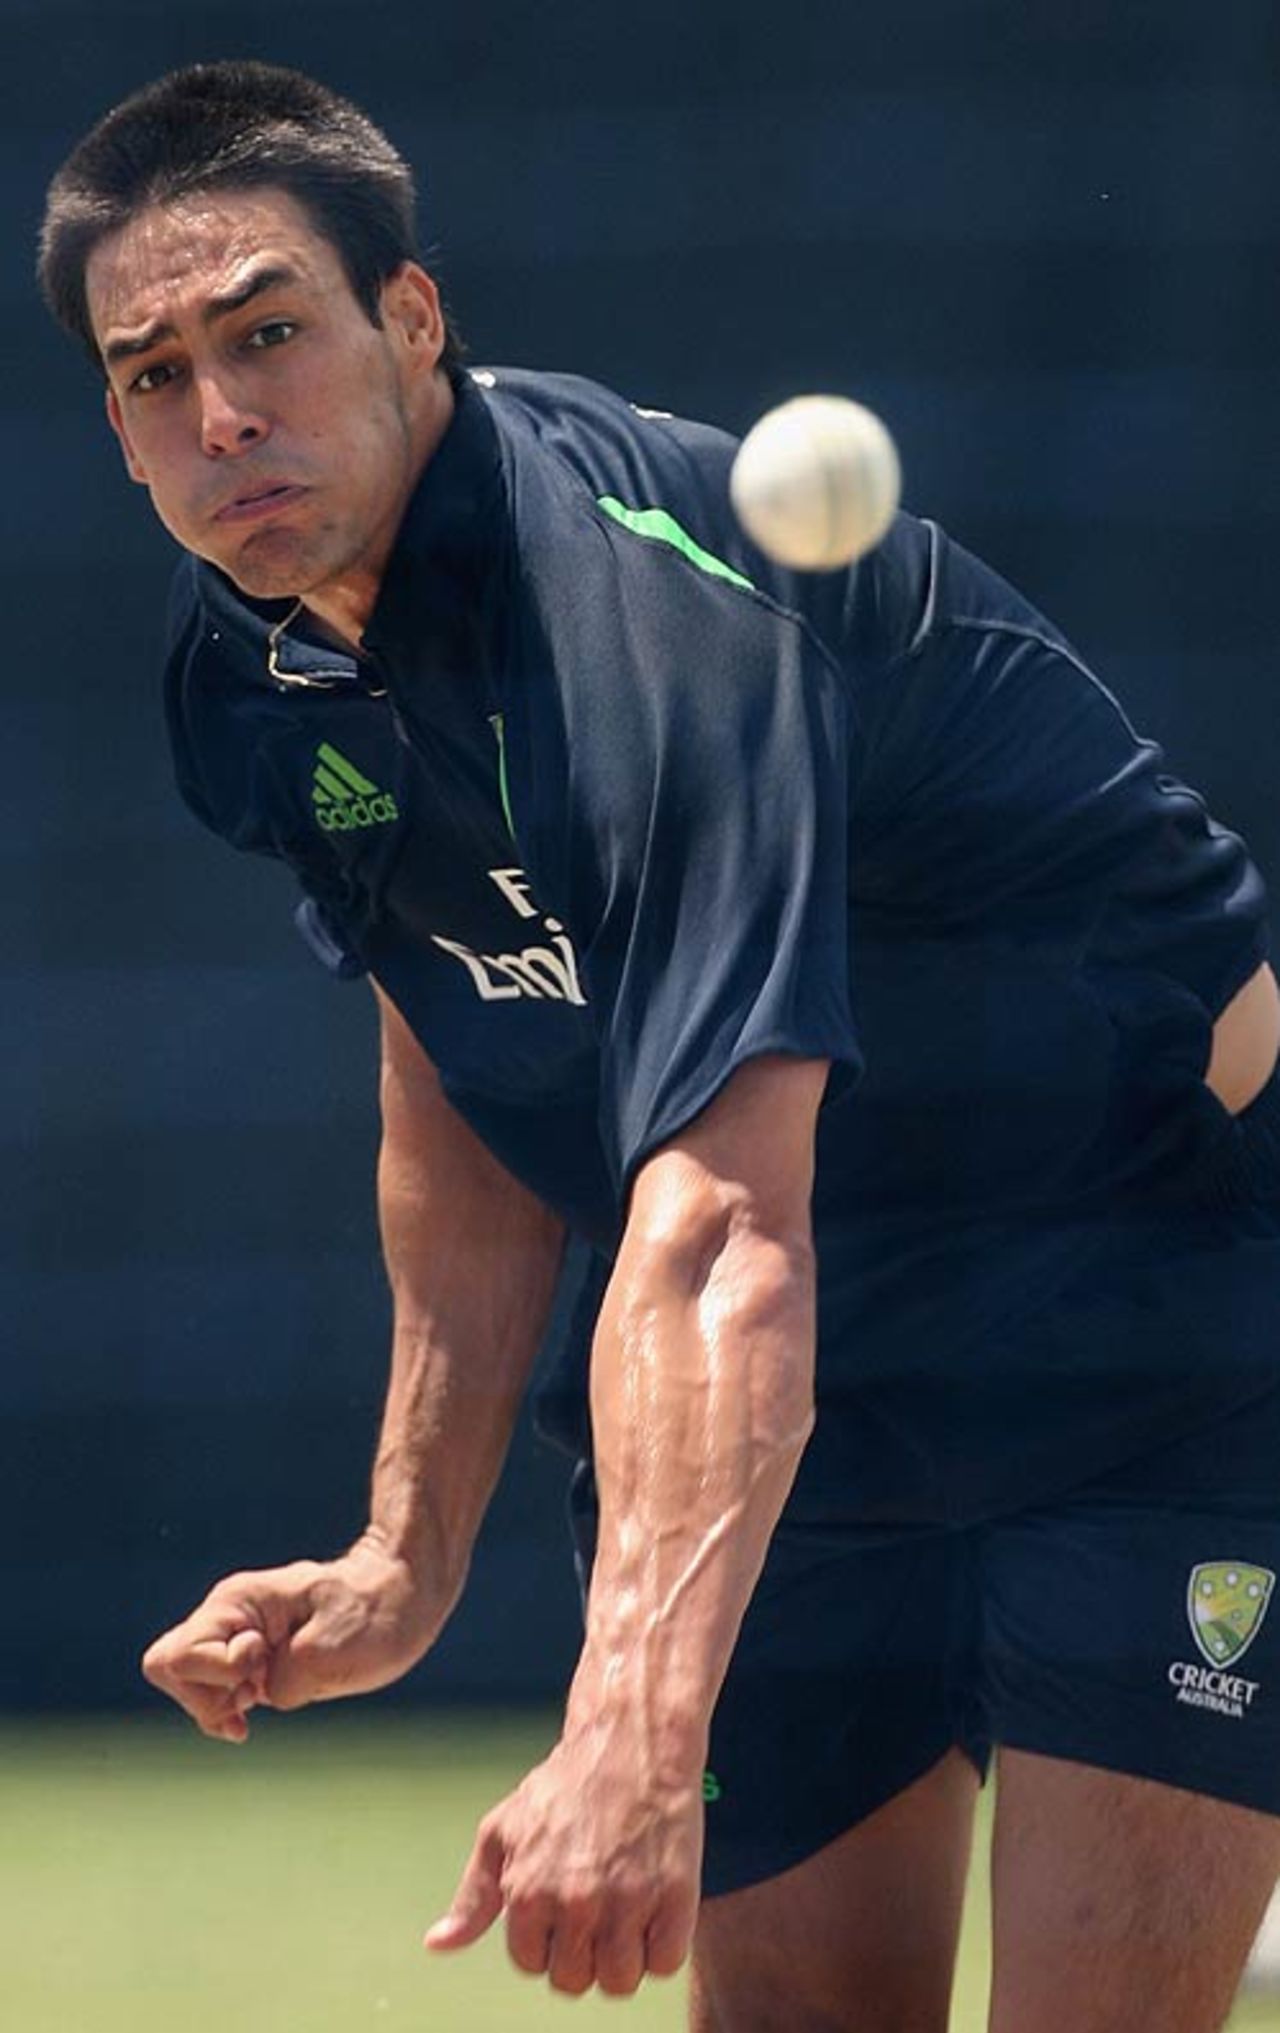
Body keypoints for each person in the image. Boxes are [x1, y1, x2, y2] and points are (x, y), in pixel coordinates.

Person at [40, 59, 1280, 2031]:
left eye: (269, 332)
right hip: (809, 1366)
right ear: (110, 429)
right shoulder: (263, 672)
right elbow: (461, 1072)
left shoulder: (643, 619)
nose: (222, 416)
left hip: (1139, 1321)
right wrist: (401, 1550)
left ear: (413, 320)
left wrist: (628, 1717)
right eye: (151, 374)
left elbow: (711, 1232)